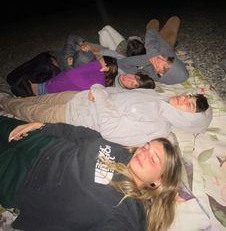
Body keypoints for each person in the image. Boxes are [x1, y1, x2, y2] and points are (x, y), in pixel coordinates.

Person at [0, 116, 182, 231]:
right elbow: (84, 135)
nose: (143, 153)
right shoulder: (122, 152)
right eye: (146, 146)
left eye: (154, 159)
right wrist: (42, 126)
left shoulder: (130, 213)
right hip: (42, 140)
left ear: (158, 181)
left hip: (23, 180)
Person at [0, 85, 213, 146]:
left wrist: (100, 94)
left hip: (73, 115)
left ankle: (5, 102)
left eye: (190, 105)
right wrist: (101, 90)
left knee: (26, 111)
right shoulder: (157, 96)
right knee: (34, 101)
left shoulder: (159, 128)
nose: (184, 98)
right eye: (189, 96)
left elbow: (111, 130)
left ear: (189, 120)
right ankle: (10, 100)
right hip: (81, 96)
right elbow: (121, 93)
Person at [117, 16, 189, 85]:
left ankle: (155, 31)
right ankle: (156, 34)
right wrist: (156, 55)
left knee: (153, 25)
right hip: (166, 48)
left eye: (165, 64)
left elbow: (121, 63)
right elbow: (183, 75)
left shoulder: (143, 73)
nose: (164, 59)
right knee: (175, 19)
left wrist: (152, 56)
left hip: (158, 49)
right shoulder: (167, 57)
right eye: (169, 61)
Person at [30, 56, 118, 95]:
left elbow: (72, 74)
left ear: (106, 67)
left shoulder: (99, 81)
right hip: (52, 83)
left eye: (101, 60)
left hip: (48, 89)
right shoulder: (99, 75)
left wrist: (96, 64)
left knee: (23, 84)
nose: (98, 60)